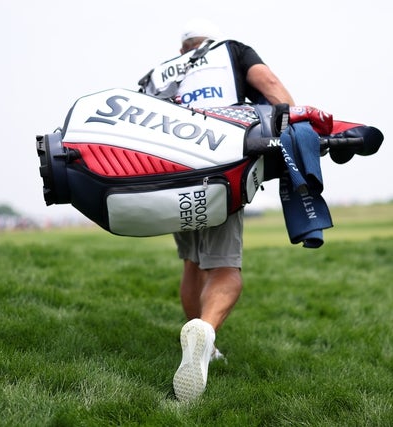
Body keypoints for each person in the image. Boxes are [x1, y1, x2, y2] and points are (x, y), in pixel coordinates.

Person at [139, 18, 295, 401]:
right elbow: (270, 84)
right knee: (225, 268)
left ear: (184, 49)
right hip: (219, 170)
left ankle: (201, 343)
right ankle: (205, 332)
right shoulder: (232, 51)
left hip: (174, 176)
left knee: (192, 263)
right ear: (211, 39)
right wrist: (294, 126)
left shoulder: (162, 72)